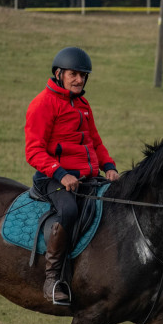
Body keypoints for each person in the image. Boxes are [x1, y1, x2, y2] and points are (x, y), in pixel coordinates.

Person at [25, 47, 120, 305]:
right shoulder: (42, 104)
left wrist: (109, 166)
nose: (79, 80)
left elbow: (95, 142)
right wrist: (61, 173)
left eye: (83, 75)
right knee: (68, 211)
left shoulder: (83, 104)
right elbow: (33, 151)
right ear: (59, 74)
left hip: (86, 178)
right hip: (52, 179)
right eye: (73, 74)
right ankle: (52, 278)